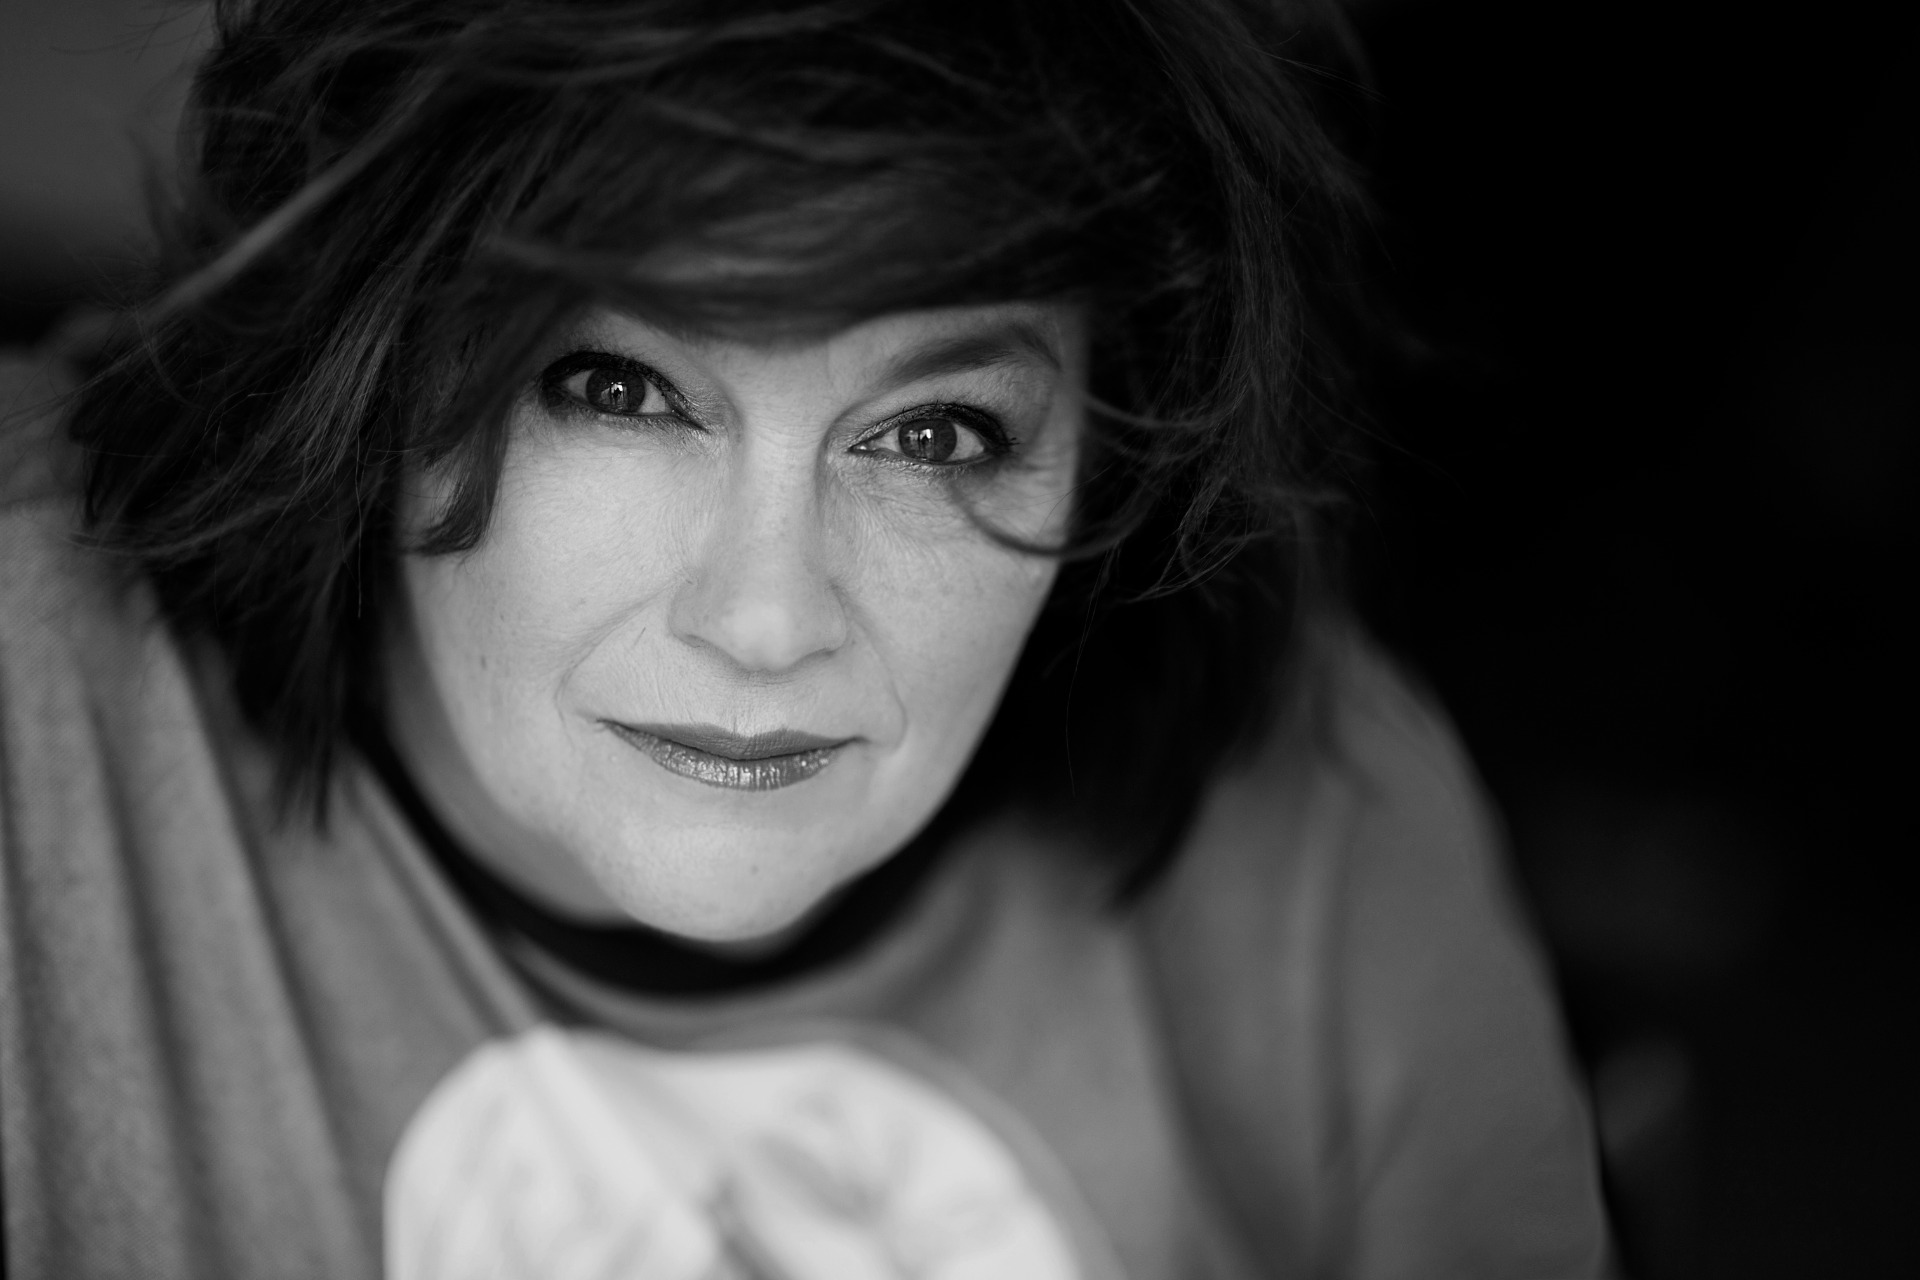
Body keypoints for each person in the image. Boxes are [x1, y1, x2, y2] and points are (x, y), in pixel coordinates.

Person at [0, 0, 1608, 1276]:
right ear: (371, 355)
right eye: (618, 389)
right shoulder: (40, 694)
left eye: (935, 434)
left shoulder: (1311, 802)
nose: (767, 621)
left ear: (1114, 442)